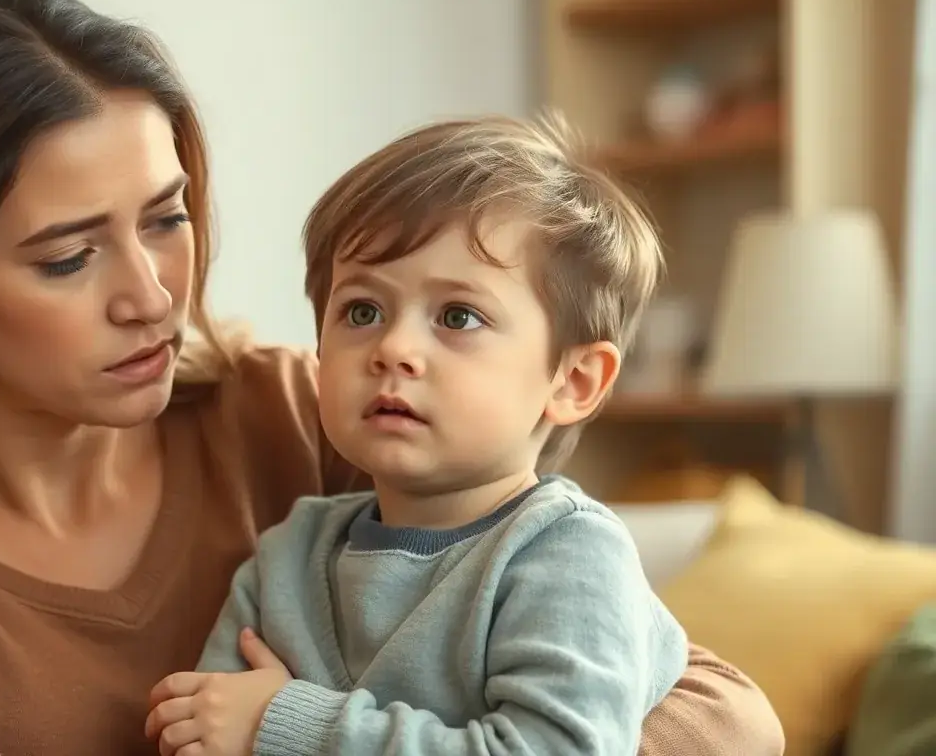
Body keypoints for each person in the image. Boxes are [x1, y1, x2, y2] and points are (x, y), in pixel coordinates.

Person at [0, 0, 785, 755]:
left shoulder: (301, 411)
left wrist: (306, 732)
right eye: (68, 256)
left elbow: (729, 718)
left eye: (166, 219)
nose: (152, 294)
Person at [147, 114, 689, 756]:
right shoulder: (286, 558)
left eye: (458, 316)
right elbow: (199, 733)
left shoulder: (567, 555)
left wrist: (289, 725)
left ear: (573, 381)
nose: (394, 348)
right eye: (362, 311)